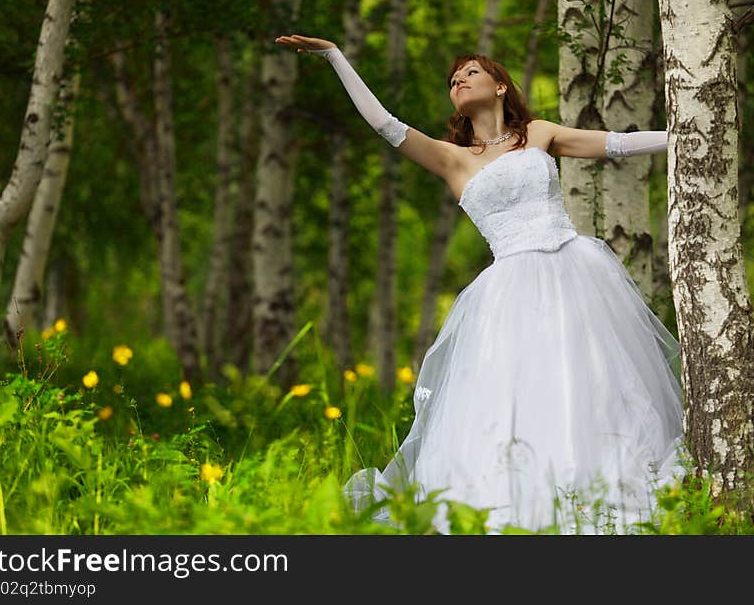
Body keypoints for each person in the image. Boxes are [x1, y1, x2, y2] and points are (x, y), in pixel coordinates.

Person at [275, 34, 686, 534]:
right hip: (510, 289)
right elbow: (385, 124)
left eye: (469, 72)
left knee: (591, 380)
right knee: (515, 395)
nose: (458, 81)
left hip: (574, 274)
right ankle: (517, 501)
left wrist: (682, 135)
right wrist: (335, 56)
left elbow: (615, 144)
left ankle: (597, 487)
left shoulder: (538, 133)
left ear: (498, 87)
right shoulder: (453, 158)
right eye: (452, 81)